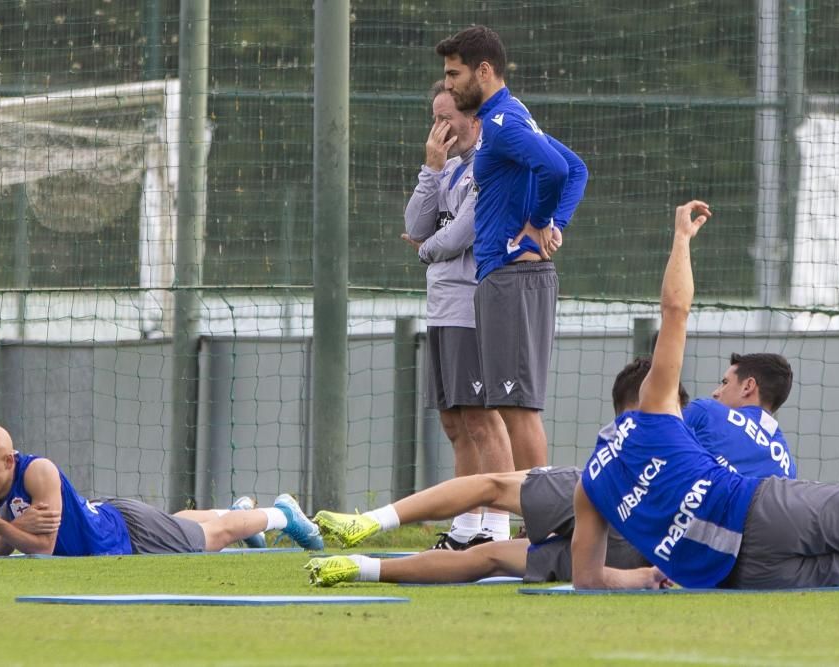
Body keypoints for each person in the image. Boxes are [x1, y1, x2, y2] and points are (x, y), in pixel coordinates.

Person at [573, 200, 839, 590]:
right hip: (761, 510)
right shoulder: (658, 414)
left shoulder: (589, 487)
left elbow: (586, 580)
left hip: (740, 574)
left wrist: (646, 576)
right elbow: (675, 310)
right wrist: (681, 238)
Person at [306, 352, 797, 586]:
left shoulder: (710, 413)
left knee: (493, 485)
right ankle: (364, 569)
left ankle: (369, 523)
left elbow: (650, 421)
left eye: (725, 381)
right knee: (494, 557)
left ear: (748, 388)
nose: (717, 390)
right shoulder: (784, 462)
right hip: (668, 551)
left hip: (628, 496)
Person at [435, 26, 589, 469]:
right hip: (501, 277)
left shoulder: (502, 122)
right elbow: (577, 168)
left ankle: (542, 524)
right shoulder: (506, 116)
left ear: (483, 71)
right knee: (509, 407)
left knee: (517, 410)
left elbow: (560, 170)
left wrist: (542, 224)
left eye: (454, 73)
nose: (448, 84)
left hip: (512, 276)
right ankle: (533, 520)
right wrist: (554, 224)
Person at [403, 80, 514, 549]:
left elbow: (458, 235)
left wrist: (424, 250)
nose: (439, 129)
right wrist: (430, 170)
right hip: (441, 307)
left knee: (482, 418)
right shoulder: (445, 171)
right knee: (454, 422)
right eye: (435, 118)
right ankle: (467, 525)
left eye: (446, 118)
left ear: (474, 119)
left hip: (473, 306)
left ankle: (499, 526)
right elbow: (413, 222)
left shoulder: (487, 169)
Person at [0, 424, 323, 557]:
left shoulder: (39, 471)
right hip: (110, 519)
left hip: (125, 535)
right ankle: (236, 508)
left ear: (8, 461)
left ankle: (282, 515)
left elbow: (43, 547)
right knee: (179, 524)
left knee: (212, 537)